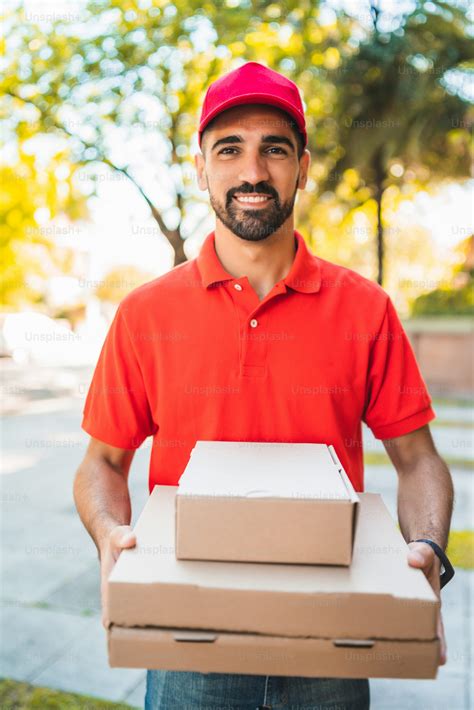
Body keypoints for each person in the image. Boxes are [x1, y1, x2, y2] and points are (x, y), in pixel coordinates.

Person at [74, 62, 455, 710]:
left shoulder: (366, 310)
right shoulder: (145, 314)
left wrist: (426, 549)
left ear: (302, 166)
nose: (252, 172)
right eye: (230, 149)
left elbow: (418, 461)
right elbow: (101, 465)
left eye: (274, 149)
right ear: (201, 168)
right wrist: (111, 533)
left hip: (332, 642)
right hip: (188, 644)